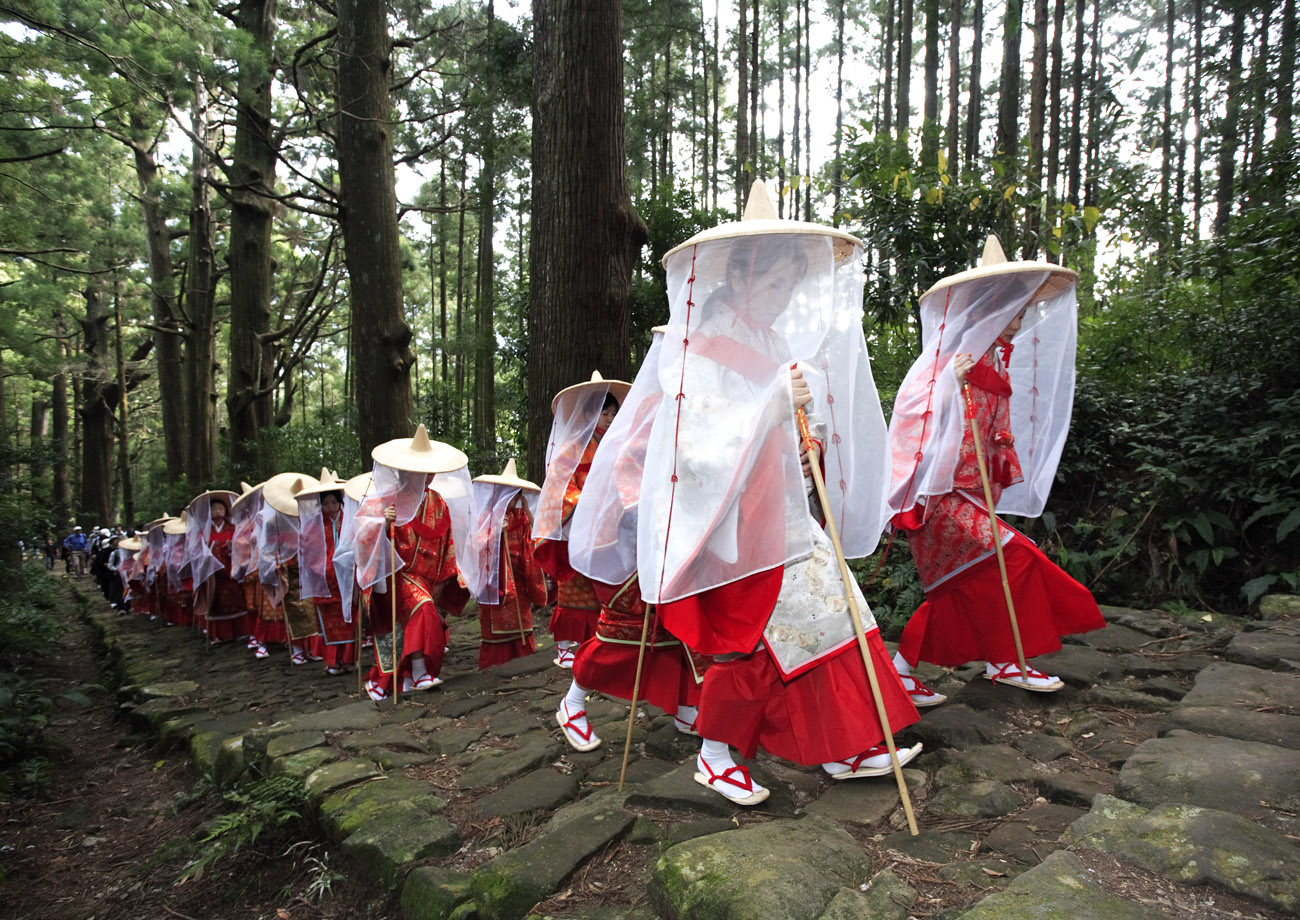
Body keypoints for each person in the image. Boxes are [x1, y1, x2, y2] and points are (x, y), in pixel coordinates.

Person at [636, 183, 922, 805]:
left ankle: (844, 743)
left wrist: (803, 430)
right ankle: (714, 754)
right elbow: (695, 441)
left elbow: (783, 433)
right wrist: (773, 407)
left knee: (833, 613)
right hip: (730, 517)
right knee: (752, 636)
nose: (784, 297)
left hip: (782, 509)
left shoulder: (768, 343)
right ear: (740, 278)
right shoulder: (698, 345)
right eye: (775, 284)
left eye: (791, 285)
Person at [886, 236, 1105, 701]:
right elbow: (910, 411)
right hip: (937, 497)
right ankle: (1005, 660)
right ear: (992, 308)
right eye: (1015, 307)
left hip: (969, 494)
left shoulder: (996, 361)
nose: (1021, 318)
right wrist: (949, 383)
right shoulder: (950, 360)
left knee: (959, 584)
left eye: (1024, 308)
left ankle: (902, 669)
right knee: (1013, 558)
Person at [560, 327, 705, 753]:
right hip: (633, 538)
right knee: (626, 628)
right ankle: (572, 702)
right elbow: (629, 470)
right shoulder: (648, 410)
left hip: (680, 532)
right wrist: (649, 520)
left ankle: (685, 704)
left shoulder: (698, 405)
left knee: (680, 627)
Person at [356, 426, 472, 701]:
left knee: (417, 619)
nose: (427, 476)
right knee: (422, 609)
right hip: (397, 575)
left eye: (430, 470)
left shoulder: (438, 502)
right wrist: (382, 524)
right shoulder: (386, 500)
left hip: (428, 577)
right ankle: (420, 671)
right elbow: (362, 537)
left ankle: (403, 676)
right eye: (420, 470)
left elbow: (448, 542)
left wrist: (444, 580)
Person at [533, 372, 630, 669]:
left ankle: (597, 640)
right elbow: (559, 488)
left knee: (600, 583)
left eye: (614, 412)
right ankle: (565, 645)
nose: (610, 418)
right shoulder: (572, 448)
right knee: (574, 585)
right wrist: (585, 506)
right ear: (590, 414)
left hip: (609, 523)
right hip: (578, 522)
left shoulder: (613, 446)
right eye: (605, 412)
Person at [466, 460, 547, 669]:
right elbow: (475, 544)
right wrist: (493, 534)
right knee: (497, 621)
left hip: (518, 575)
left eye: (516, 494)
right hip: (496, 578)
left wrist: (528, 513)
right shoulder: (488, 516)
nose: (512, 499)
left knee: (522, 616)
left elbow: (531, 540)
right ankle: (495, 663)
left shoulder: (521, 516)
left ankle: (523, 657)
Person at [257, 472, 323, 664]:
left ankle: (313, 648)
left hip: (310, 569)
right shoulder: (273, 523)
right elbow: (267, 549)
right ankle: (296, 649)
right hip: (288, 570)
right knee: (294, 610)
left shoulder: (309, 518)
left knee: (312, 609)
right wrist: (275, 563)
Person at [297, 472, 359, 676]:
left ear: (341, 502)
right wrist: (320, 569)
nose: (330, 507)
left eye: (334, 502)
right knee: (330, 624)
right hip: (325, 582)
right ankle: (333, 662)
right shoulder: (313, 526)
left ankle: (349, 659)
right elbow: (309, 552)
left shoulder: (350, 520)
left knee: (349, 620)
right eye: (326, 503)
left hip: (348, 580)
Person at [186, 491, 247, 646]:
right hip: (212, 571)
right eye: (214, 509)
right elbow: (195, 549)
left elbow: (242, 543)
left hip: (231, 568)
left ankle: (240, 631)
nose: (218, 511)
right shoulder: (203, 531)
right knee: (216, 600)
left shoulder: (233, 527)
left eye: (220, 508)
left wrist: (233, 549)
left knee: (236, 599)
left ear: (226, 510)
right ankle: (219, 634)